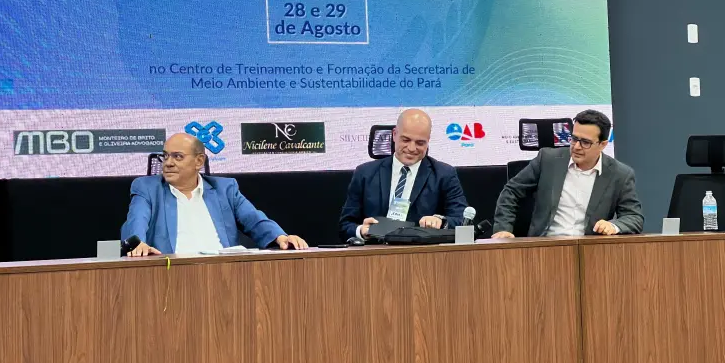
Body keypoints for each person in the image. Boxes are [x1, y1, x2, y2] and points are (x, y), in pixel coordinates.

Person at [122, 133, 308, 256]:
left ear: (199, 161)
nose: (168, 163)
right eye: (166, 156)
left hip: (223, 274)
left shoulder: (224, 189)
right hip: (169, 277)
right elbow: (136, 221)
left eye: (178, 156)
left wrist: (280, 237)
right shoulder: (147, 188)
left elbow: (254, 219)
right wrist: (136, 244)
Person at [492, 110, 643, 238]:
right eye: (574, 139)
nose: (576, 147)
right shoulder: (548, 160)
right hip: (544, 247)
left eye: (585, 142)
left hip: (590, 250)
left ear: (602, 144)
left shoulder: (620, 174)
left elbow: (634, 217)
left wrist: (613, 226)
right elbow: (511, 191)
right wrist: (503, 229)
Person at [339, 109, 469, 240]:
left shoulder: (444, 175)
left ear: (428, 141)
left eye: (420, 143)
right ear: (394, 134)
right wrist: (361, 230)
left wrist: (441, 221)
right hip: (375, 249)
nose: (411, 148)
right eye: (406, 140)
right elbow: (345, 226)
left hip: (422, 250)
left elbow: (464, 222)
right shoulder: (365, 173)